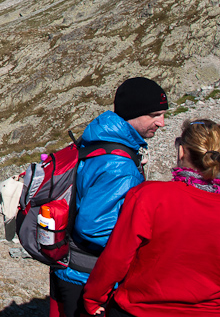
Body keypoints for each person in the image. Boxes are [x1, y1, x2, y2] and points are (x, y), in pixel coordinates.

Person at [50, 77, 168, 317]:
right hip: (88, 275)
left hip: (70, 267)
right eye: (155, 115)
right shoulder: (119, 165)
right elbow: (94, 228)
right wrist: (142, 248)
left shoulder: (100, 137)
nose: (162, 123)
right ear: (133, 113)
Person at [83, 118, 220, 316]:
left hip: (141, 308)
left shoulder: (149, 196)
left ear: (181, 151)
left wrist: (93, 298)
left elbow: (116, 258)